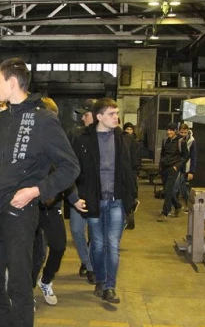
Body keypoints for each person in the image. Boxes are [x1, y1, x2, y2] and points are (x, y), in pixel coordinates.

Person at [0, 58, 79, 327]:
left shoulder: (43, 120)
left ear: (12, 82)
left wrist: (36, 190)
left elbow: (70, 168)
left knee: (19, 285)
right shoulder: (1, 120)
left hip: (20, 214)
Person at [71, 98, 136, 304]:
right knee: (97, 245)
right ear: (99, 117)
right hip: (94, 200)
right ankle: (100, 279)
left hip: (117, 200)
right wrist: (76, 196)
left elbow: (130, 170)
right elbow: (73, 169)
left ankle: (110, 287)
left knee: (112, 244)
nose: (116, 117)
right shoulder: (83, 140)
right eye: (111, 114)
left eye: (117, 113)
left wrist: (132, 199)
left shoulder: (124, 140)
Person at [32, 96, 76, 306]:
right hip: (30, 205)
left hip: (51, 206)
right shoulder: (28, 141)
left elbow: (67, 170)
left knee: (58, 246)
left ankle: (46, 280)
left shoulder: (58, 140)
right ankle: (26, 292)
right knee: (32, 252)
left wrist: (74, 199)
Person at [71, 99, 97, 284]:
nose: (82, 119)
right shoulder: (77, 137)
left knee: (95, 234)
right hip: (79, 192)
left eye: (85, 115)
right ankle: (87, 261)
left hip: (98, 194)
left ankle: (91, 266)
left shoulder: (109, 138)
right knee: (76, 230)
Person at [157, 122, 189, 222]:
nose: (168, 132)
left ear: (175, 131)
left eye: (171, 130)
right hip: (164, 169)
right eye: (167, 130)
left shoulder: (181, 142)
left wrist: (177, 166)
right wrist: (160, 166)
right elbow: (162, 154)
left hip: (173, 169)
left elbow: (186, 156)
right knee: (167, 190)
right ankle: (178, 205)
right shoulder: (165, 141)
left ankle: (165, 213)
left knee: (167, 189)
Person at [174, 123, 197, 211]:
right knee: (181, 186)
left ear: (188, 132)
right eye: (181, 132)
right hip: (176, 165)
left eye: (185, 132)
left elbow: (194, 157)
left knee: (176, 186)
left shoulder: (192, 141)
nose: (183, 134)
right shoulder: (176, 140)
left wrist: (191, 171)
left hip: (185, 166)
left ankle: (177, 206)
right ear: (178, 132)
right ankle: (189, 204)